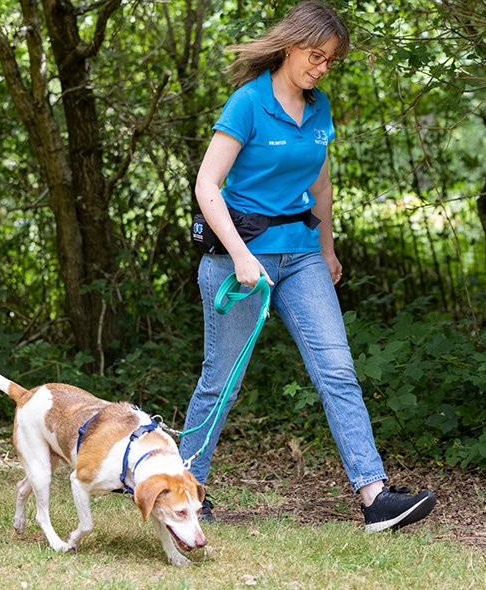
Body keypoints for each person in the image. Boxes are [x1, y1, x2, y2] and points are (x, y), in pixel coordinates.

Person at [179, 0, 435, 533]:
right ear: (289, 45)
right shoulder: (247, 104)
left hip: (301, 254)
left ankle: (374, 497)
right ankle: (183, 487)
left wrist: (327, 248)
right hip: (239, 257)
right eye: (315, 56)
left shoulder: (318, 110)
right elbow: (207, 186)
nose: (321, 68)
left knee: (337, 370)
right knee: (221, 381)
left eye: (330, 61)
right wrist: (243, 258)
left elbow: (319, 184)